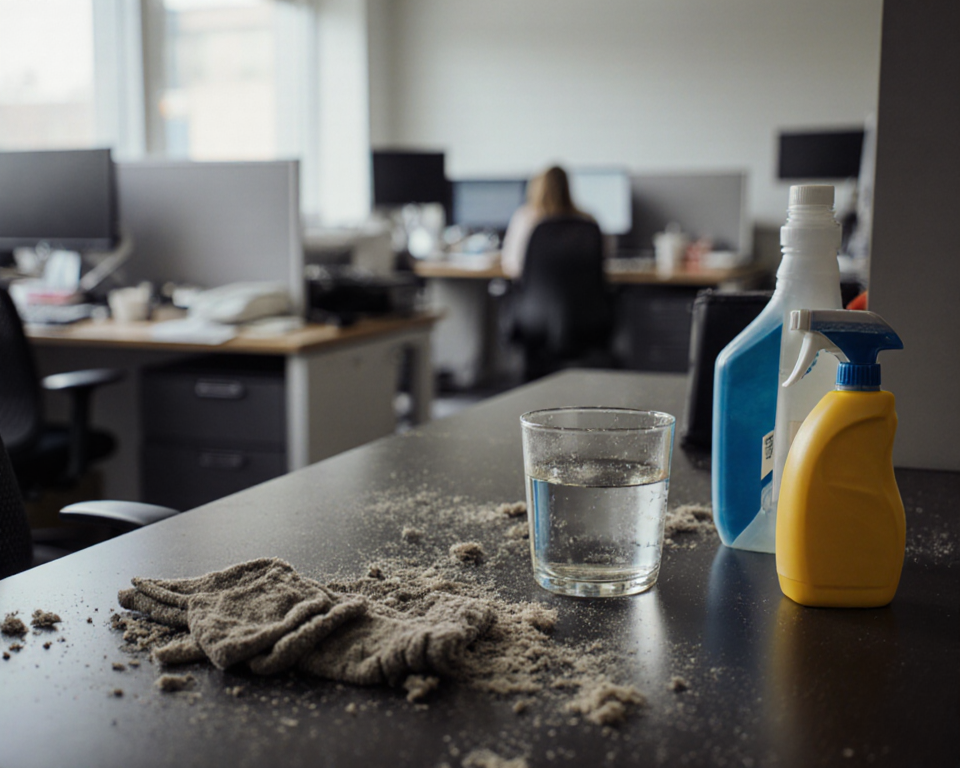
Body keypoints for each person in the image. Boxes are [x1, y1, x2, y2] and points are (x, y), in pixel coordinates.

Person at [500, 165, 593, 279]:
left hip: (537, 294)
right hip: (582, 295)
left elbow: (511, 265)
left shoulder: (525, 218)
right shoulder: (587, 220)